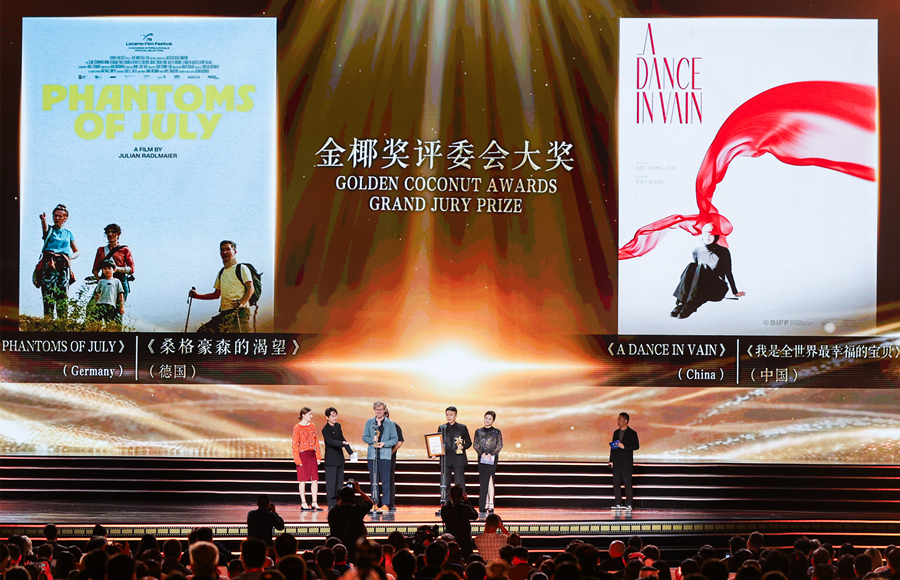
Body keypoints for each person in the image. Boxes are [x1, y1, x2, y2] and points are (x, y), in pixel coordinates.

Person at [671, 223, 745, 319]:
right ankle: (681, 303)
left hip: (717, 288)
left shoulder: (724, 251)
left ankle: (690, 305)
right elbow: (693, 276)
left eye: (711, 233)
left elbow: (728, 272)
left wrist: (735, 291)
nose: (708, 236)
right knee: (692, 266)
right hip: (701, 288)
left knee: (703, 266)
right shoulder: (696, 250)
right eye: (705, 233)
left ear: (716, 235)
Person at [190, 240, 254, 332]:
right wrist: (196, 296)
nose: (224, 252)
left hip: (240, 312)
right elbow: (216, 295)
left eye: (228, 249)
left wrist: (241, 303)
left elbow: (251, 288)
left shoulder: (241, 268)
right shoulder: (222, 272)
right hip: (224, 312)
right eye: (222, 250)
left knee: (239, 339)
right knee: (203, 331)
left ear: (235, 252)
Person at [36, 204, 79, 318]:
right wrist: (43, 220)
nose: (57, 218)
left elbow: (77, 251)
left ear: (65, 218)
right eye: (55, 216)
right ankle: (48, 320)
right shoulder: (50, 230)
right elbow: (45, 228)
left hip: (63, 264)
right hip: (49, 263)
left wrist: (70, 257)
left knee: (62, 293)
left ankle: (62, 321)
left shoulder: (68, 233)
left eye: (60, 216)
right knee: (48, 292)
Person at [362, 401, 399, 511]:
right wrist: (371, 439)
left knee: (386, 481)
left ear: (384, 411)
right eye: (377, 409)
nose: (379, 411)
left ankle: (385, 504)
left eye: (381, 409)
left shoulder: (390, 424)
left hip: (385, 456)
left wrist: (384, 444)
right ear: (374, 410)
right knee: (374, 481)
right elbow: (364, 437)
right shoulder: (369, 422)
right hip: (372, 456)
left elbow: (395, 439)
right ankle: (375, 503)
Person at [327, 481, 374, 563]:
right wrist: (359, 490)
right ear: (353, 498)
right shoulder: (358, 509)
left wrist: (341, 501)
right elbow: (370, 502)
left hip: (339, 544)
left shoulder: (333, 511)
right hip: (355, 546)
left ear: (340, 498)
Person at [438, 406, 472, 508]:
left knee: (459, 483)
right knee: (445, 483)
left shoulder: (462, 427)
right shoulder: (442, 427)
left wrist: (463, 446)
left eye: (451, 414)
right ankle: (446, 505)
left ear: (456, 415)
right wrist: (435, 453)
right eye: (447, 415)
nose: (449, 417)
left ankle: (461, 505)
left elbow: (469, 442)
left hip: (458, 459)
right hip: (446, 459)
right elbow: (438, 442)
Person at [91, 223, 135, 301]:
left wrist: (117, 269)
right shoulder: (101, 250)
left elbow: (131, 269)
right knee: (94, 305)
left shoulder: (125, 250)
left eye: (113, 232)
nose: (110, 234)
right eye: (108, 232)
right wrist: (99, 281)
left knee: (119, 306)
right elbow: (95, 269)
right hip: (104, 281)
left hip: (120, 281)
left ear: (118, 234)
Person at [322, 407, 354, 509]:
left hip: (339, 459)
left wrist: (350, 452)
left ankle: (339, 503)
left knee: (339, 484)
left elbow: (342, 438)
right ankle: (332, 504)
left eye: (335, 415)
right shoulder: (325, 429)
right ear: (327, 417)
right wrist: (342, 443)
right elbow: (330, 442)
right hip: (331, 461)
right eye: (332, 416)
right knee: (331, 484)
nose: (334, 418)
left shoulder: (338, 426)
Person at [292, 407, 323, 511]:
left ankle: (314, 502)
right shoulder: (297, 427)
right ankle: (303, 502)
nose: (311, 416)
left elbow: (316, 441)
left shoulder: (312, 426)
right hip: (303, 455)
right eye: (309, 414)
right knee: (303, 480)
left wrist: (318, 456)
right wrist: (297, 459)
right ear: (303, 415)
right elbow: (295, 444)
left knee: (315, 479)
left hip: (312, 454)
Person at [473, 410, 503, 514]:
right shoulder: (478, 431)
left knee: (490, 479)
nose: (487, 420)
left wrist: (492, 454)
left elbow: (500, 445)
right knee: (483, 480)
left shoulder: (497, 432)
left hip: (492, 459)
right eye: (486, 418)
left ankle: (490, 503)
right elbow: (475, 444)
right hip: (482, 458)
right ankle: (484, 504)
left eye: (490, 419)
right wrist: (481, 453)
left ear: (493, 420)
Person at [608, 412, 640, 510]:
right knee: (616, 483)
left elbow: (636, 446)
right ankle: (618, 502)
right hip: (616, 462)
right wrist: (611, 460)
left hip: (626, 463)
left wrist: (624, 447)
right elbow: (613, 448)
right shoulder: (616, 433)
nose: (618, 421)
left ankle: (629, 503)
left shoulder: (632, 433)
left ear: (626, 421)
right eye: (618, 420)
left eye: (620, 420)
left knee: (627, 483)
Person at [440, 485, 478, 558]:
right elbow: (475, 515)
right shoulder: (466, 508)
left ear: (450, 495)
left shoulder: (445, 508)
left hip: (451, 540)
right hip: (465, 541)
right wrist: (467, 501)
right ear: (462, 495)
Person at [89, 260, 125, 329]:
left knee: (108, 322)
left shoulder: (117, 281)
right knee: (98, 322)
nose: (107, 270)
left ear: (114, 270)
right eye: (105, 269)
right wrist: (94, 305)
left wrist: (121, 306)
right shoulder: (101, 281)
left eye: (109, 268)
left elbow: (120, 294)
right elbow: (97, 294)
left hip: (110, 305)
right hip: (100, 304)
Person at [385, 407, 404, 511]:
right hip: (378, 457)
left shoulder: (394, 426)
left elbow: (400, 441)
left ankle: (390, 503)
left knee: (389, 479)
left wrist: (391, 452)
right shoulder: (374, 425)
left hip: (389, 458)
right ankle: (378, 502)